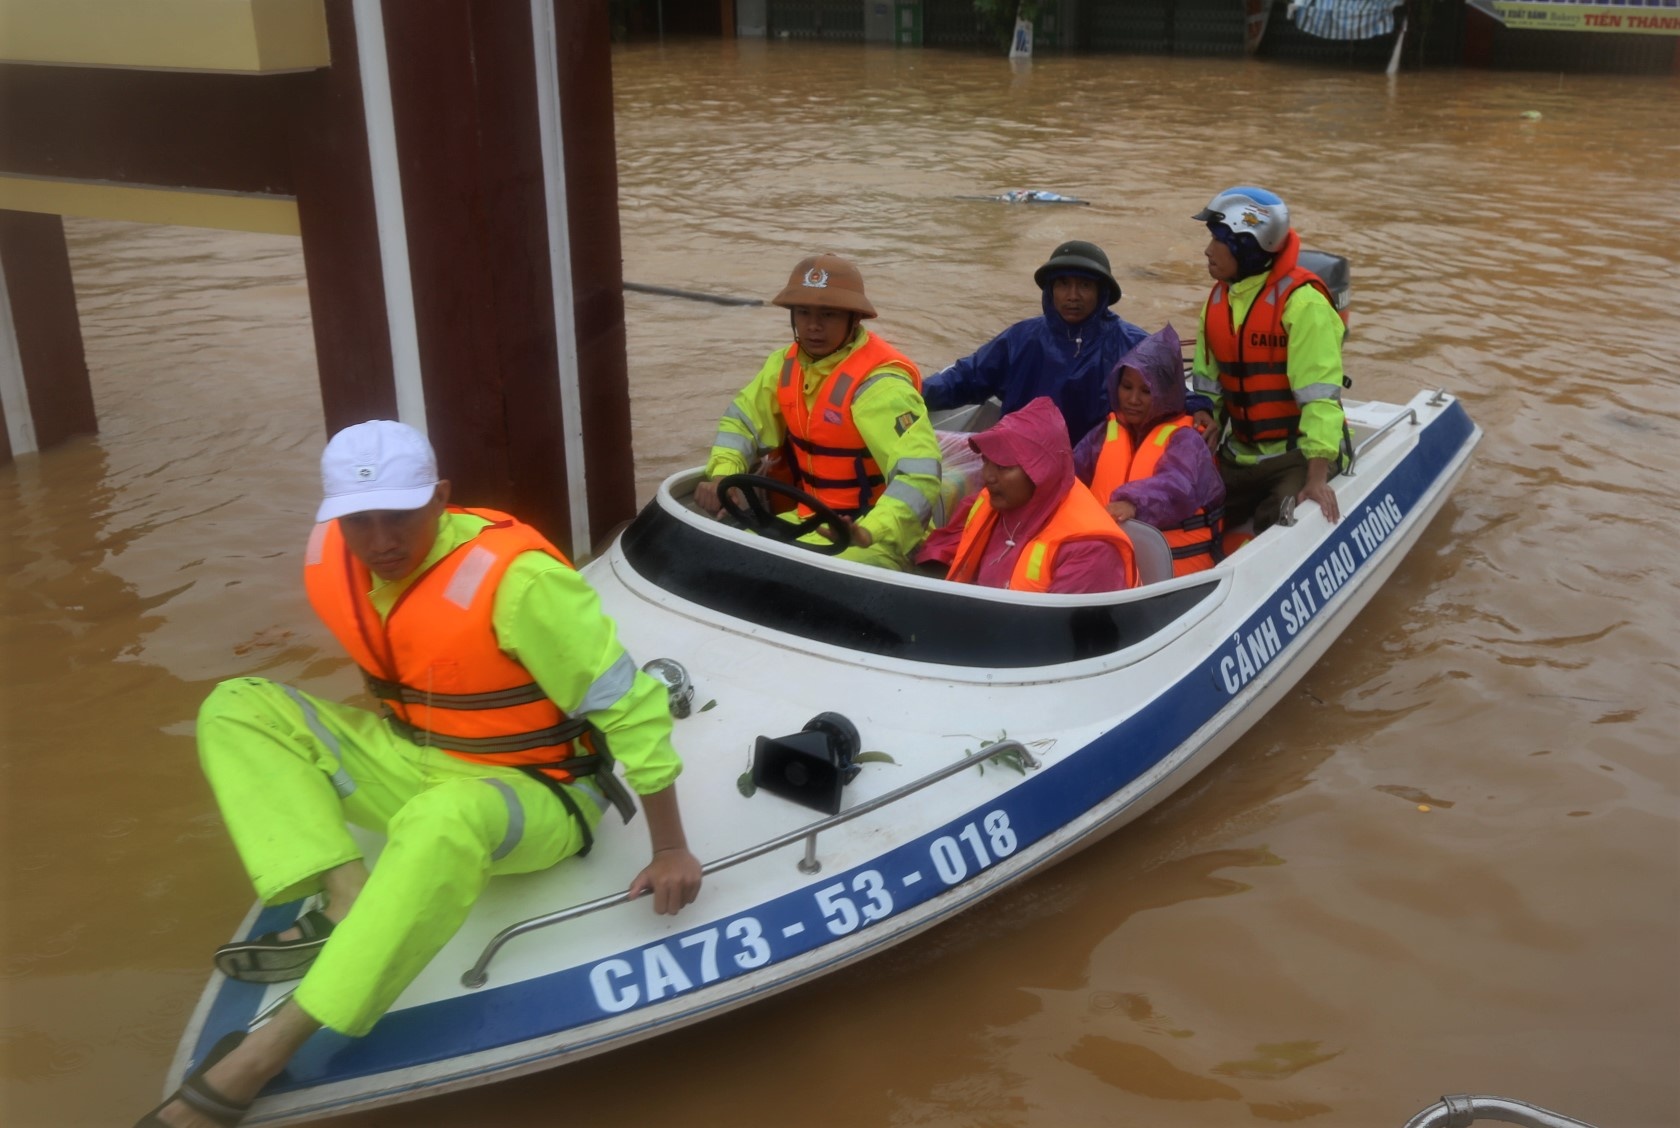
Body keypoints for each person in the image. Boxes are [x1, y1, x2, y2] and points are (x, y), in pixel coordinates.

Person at [137, 420, 702, 1128]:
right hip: (413, 758)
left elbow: (633, 709)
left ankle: (262, 1054)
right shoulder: (340, 561)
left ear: (439, 498)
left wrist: (671, 845)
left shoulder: (520, 582)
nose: (379, 543)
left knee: (444, 817)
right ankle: (348, 897)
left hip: (540, 788)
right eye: (357, 522)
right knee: (235, 705)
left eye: (399, 516)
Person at [692, 254, 943, 571]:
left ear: (854, 319)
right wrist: (723, 475)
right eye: (803, 313)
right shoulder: (783, 365)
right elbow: (740, 423)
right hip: (807, 518)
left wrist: (871, 530)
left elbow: (919, 474)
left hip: (876, 535)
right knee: (723, 559)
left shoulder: (881, 386)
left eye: (828, 314)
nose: (813, 326)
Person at [1188, 187, 1349, 539]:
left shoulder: (1304, 304)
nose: (1208, 250)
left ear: (1246, 244)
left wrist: (1318, 477)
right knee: (1189, 510)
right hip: (1238, 452)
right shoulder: (1218, 300)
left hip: (1295, 455)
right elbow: (1207, 385)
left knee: (1280, 522)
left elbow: (1319, 395)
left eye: (1218, 240)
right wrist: (1204, 416)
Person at [920, 240, 1150, 446]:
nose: (1072, 296)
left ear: (1102, 292)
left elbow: (1169, 398)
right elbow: (966, 376)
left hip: (1095, 469)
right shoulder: (1020, 338)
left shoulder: (1133, 344)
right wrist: (911, 392)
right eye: (1062, 284)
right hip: (1020, 469)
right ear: (1051, 290)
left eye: (1085, 286)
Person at [917, 397, 1137, 594]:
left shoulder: (1091, 551)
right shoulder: (987, 502)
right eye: (986, 461)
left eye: (1003, 467)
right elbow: (943, 550)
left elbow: (1060, 633)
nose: (988, 477)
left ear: (1041, 472)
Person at [1073, 323, 1226, 576]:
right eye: (1126, 387)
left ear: (1166, 393)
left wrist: (1133, 503)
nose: (1132, 400)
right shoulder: (1105, 432)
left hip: (1172, 575)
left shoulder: (1187, 438)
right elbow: (1068, 476)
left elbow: (1178, 485)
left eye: (1146, 391)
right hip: (1106, 564)